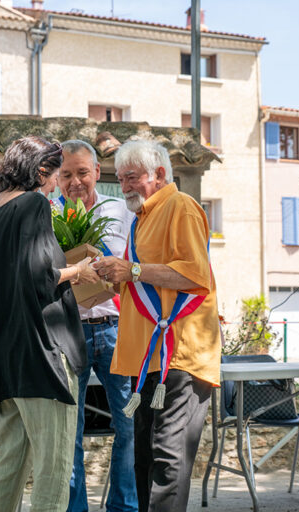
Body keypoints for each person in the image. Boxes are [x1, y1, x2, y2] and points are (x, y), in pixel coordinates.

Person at [93, 140, 221, 512]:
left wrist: (131, 269)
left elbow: (195, 274)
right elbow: (144, 282)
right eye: (120, 180)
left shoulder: (180, 207)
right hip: (147, 356)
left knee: (168, 458)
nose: (125, 187)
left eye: (131, 178)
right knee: (145, 458)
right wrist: (111, 275)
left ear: (159, 174)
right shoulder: (141, 219)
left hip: (180, 353)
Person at [0, 136, 98, 512]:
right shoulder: (33, 204)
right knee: (53, 468)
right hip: (43, 357)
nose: (56, 185)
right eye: (56, 174)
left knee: (10, 465)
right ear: (41, 170)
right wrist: (78, 270)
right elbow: (39, 277)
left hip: (6, 360)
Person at [54, 140, 137, 512]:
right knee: (69, 430)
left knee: (130, 423)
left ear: (97, 173)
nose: (75, 182)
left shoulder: (122, 211)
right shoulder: (48, 214)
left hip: (116, 330)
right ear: (56, 177)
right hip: (68, 333)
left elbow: (139, 264)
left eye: (82, 172)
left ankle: (124, 506)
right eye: (66, 174)